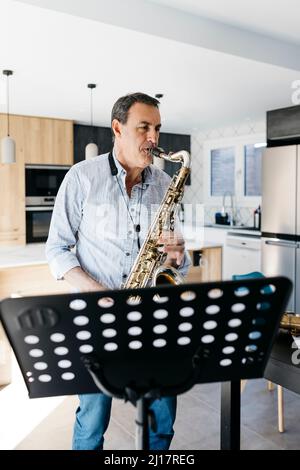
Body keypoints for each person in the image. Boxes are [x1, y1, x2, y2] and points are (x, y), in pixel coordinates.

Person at [45, 92, 191, 450]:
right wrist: (99, 293)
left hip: (152, 320)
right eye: (144, 127)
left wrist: (176, 256)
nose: (154, 138)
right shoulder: (82, 178)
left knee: (162, 422)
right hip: (98, 319)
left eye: (157, 128)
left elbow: (177, 263)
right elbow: (56, 250)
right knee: (92, 423)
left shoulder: (162, 183)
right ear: (117, 128)